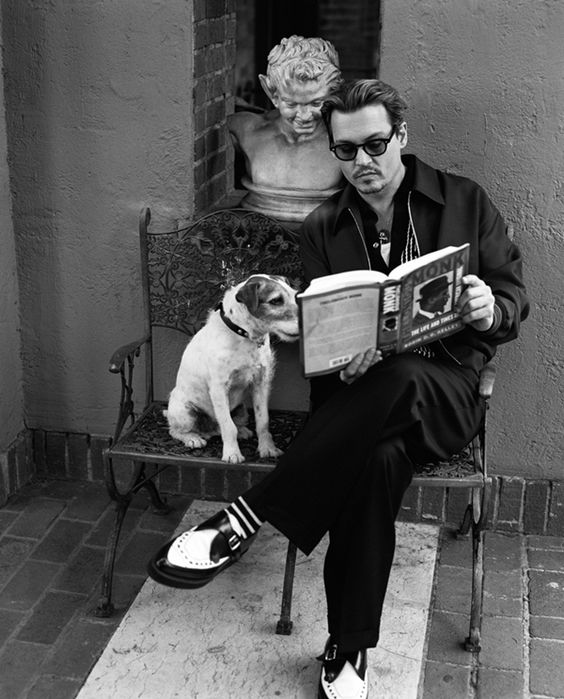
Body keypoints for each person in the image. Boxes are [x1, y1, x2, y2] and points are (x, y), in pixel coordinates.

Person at [148, 79, 529, 699]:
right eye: (346, 151)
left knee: (404, 374)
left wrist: (490, 308)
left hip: (446, 395)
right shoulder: (325, 225)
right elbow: (319, 337)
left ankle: (249, 515)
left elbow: (514, 294)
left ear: (400, 137)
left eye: (376, 145)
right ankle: (348, 650)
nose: (363, 164)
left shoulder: (464, 200)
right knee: (374, 462)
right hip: (356, 407)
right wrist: (339, 360)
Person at [228, 35, 344, 221]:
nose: (304, 115)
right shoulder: (244, 130)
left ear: (333, 95)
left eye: (316, 103)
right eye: (291, 104)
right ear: (272, 94)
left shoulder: (344, 142)